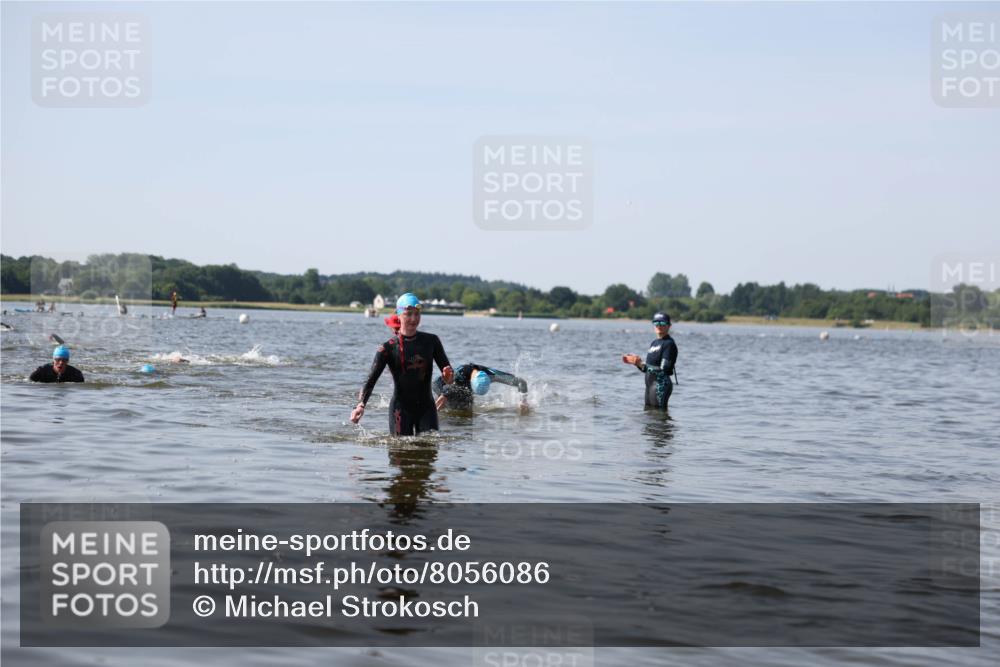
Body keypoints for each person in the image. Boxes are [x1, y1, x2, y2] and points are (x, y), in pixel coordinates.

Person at [351, 293, 454, 435]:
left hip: (427, 408)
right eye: (408, 314)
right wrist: (360, 405)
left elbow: (449, 376)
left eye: (417, 314)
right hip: (400, 411)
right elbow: (371, 380)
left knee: (429, 451)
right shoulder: (387, 348)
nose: (413, 319)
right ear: (399, 315)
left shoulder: (431, 341)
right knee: (400, 452)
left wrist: (447, 382)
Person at [622, 312, 677, 410]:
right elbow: (647, 369)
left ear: (669, 326)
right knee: (649, 417)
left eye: (662, 323)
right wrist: (637, 363)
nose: (659, 326)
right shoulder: (654, 343)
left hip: (660, 386)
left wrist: (641, 364)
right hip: (649, 386)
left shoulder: (669, 344)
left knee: (659, 419)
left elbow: (663, 370)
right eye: (656, 323)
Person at [433, 364, 528, 411]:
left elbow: (521, 382)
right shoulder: (460, 378)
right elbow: (444, 394)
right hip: (440, 384)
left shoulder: (492, 375)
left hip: (461, 386)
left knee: (467, 408)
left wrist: (523, 401)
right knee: (458, 404)